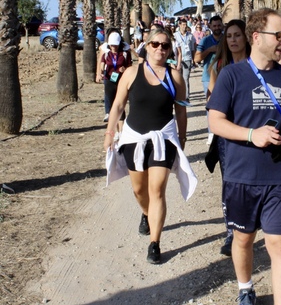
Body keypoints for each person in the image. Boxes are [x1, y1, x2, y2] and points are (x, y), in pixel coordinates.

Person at [207, 8, 281, 305]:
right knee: (243, 239)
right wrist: (253, 135)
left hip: (280, 178)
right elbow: (215, 122)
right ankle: (245, 289)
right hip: (241, 177)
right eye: (278, 35)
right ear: (257, 37)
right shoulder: (232, 75)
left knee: (280, 246)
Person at [103, 28, 197, 264]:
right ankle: (146, 213)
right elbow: (117, 105)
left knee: (157, 190)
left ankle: (154, 243)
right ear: (146, 45)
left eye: (165, 45)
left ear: (170, 49)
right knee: (139, 190)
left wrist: (182, 139)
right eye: (155, 44)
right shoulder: (132, 73)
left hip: (163, 139)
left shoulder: (175, 77)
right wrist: (109, 132)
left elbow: (181, 111)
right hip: (134, 138)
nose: (160, 49)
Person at [207, 19, 251, 257]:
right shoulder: (219, 67)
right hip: (228, 136)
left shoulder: (258, 65)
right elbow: (213, 103)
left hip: (255, 133)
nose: (233, 40)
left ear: (247, 38)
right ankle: (232, 232)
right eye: (229, 36)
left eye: (237, 35)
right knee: (231, 184)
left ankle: (253, 225)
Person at [194, 15, 224, 144]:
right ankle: (211, 132)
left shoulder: (226, 38)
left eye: (219, 25)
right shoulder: (205, 41)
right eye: (214, 26)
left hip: (225, 77)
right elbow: (196, 59)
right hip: (208, 77)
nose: (217, 28)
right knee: (210, 106)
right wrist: (210, 50)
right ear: (210, 27)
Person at [96, 32, 132, 136]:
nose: (113, 47)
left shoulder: (125, 54)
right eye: (112, 45)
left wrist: (124, 69)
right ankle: (116, 131)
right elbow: (102, 65)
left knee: (120, 104)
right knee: (112, 106)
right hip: (109, 81)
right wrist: (100, 73)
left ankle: (121, 130)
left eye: (115, 45)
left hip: (121, 81)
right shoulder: (106, 54)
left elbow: (130, 66)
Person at [174, 18, 196, 101]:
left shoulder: (190, 35)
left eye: (185, 25)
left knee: (185, 78)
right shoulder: (175, 35)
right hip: (177, 60)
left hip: (187, 59)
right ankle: (179, 95)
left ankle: (186, 96)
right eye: (183, 25)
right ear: (179, 25)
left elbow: (193, 48)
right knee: (178, 78)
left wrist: (193, 59)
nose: (184, 26)